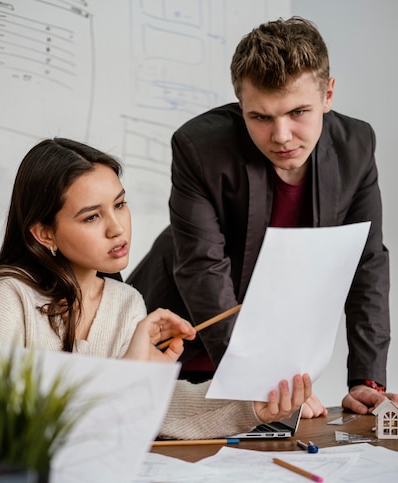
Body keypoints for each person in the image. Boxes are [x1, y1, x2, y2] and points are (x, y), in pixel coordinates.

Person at [127, 16, 398, 417]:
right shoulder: (198, 147)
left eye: (298, 112)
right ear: (241, 106)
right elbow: (202, 267)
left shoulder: (356, 146)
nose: (282, 135)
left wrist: (367, 379)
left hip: (269, 359)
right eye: (260, 117)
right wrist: (256, 378)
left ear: (328, 94)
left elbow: (366, 261)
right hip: (181, 341)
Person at [0, 137, 312, 440]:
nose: (117, 228)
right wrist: (128, 372)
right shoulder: (6, 299)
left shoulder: (126, 303)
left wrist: (250, 403)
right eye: (91, 217)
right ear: (45, 234)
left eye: (120, 204)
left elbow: (151, 407)